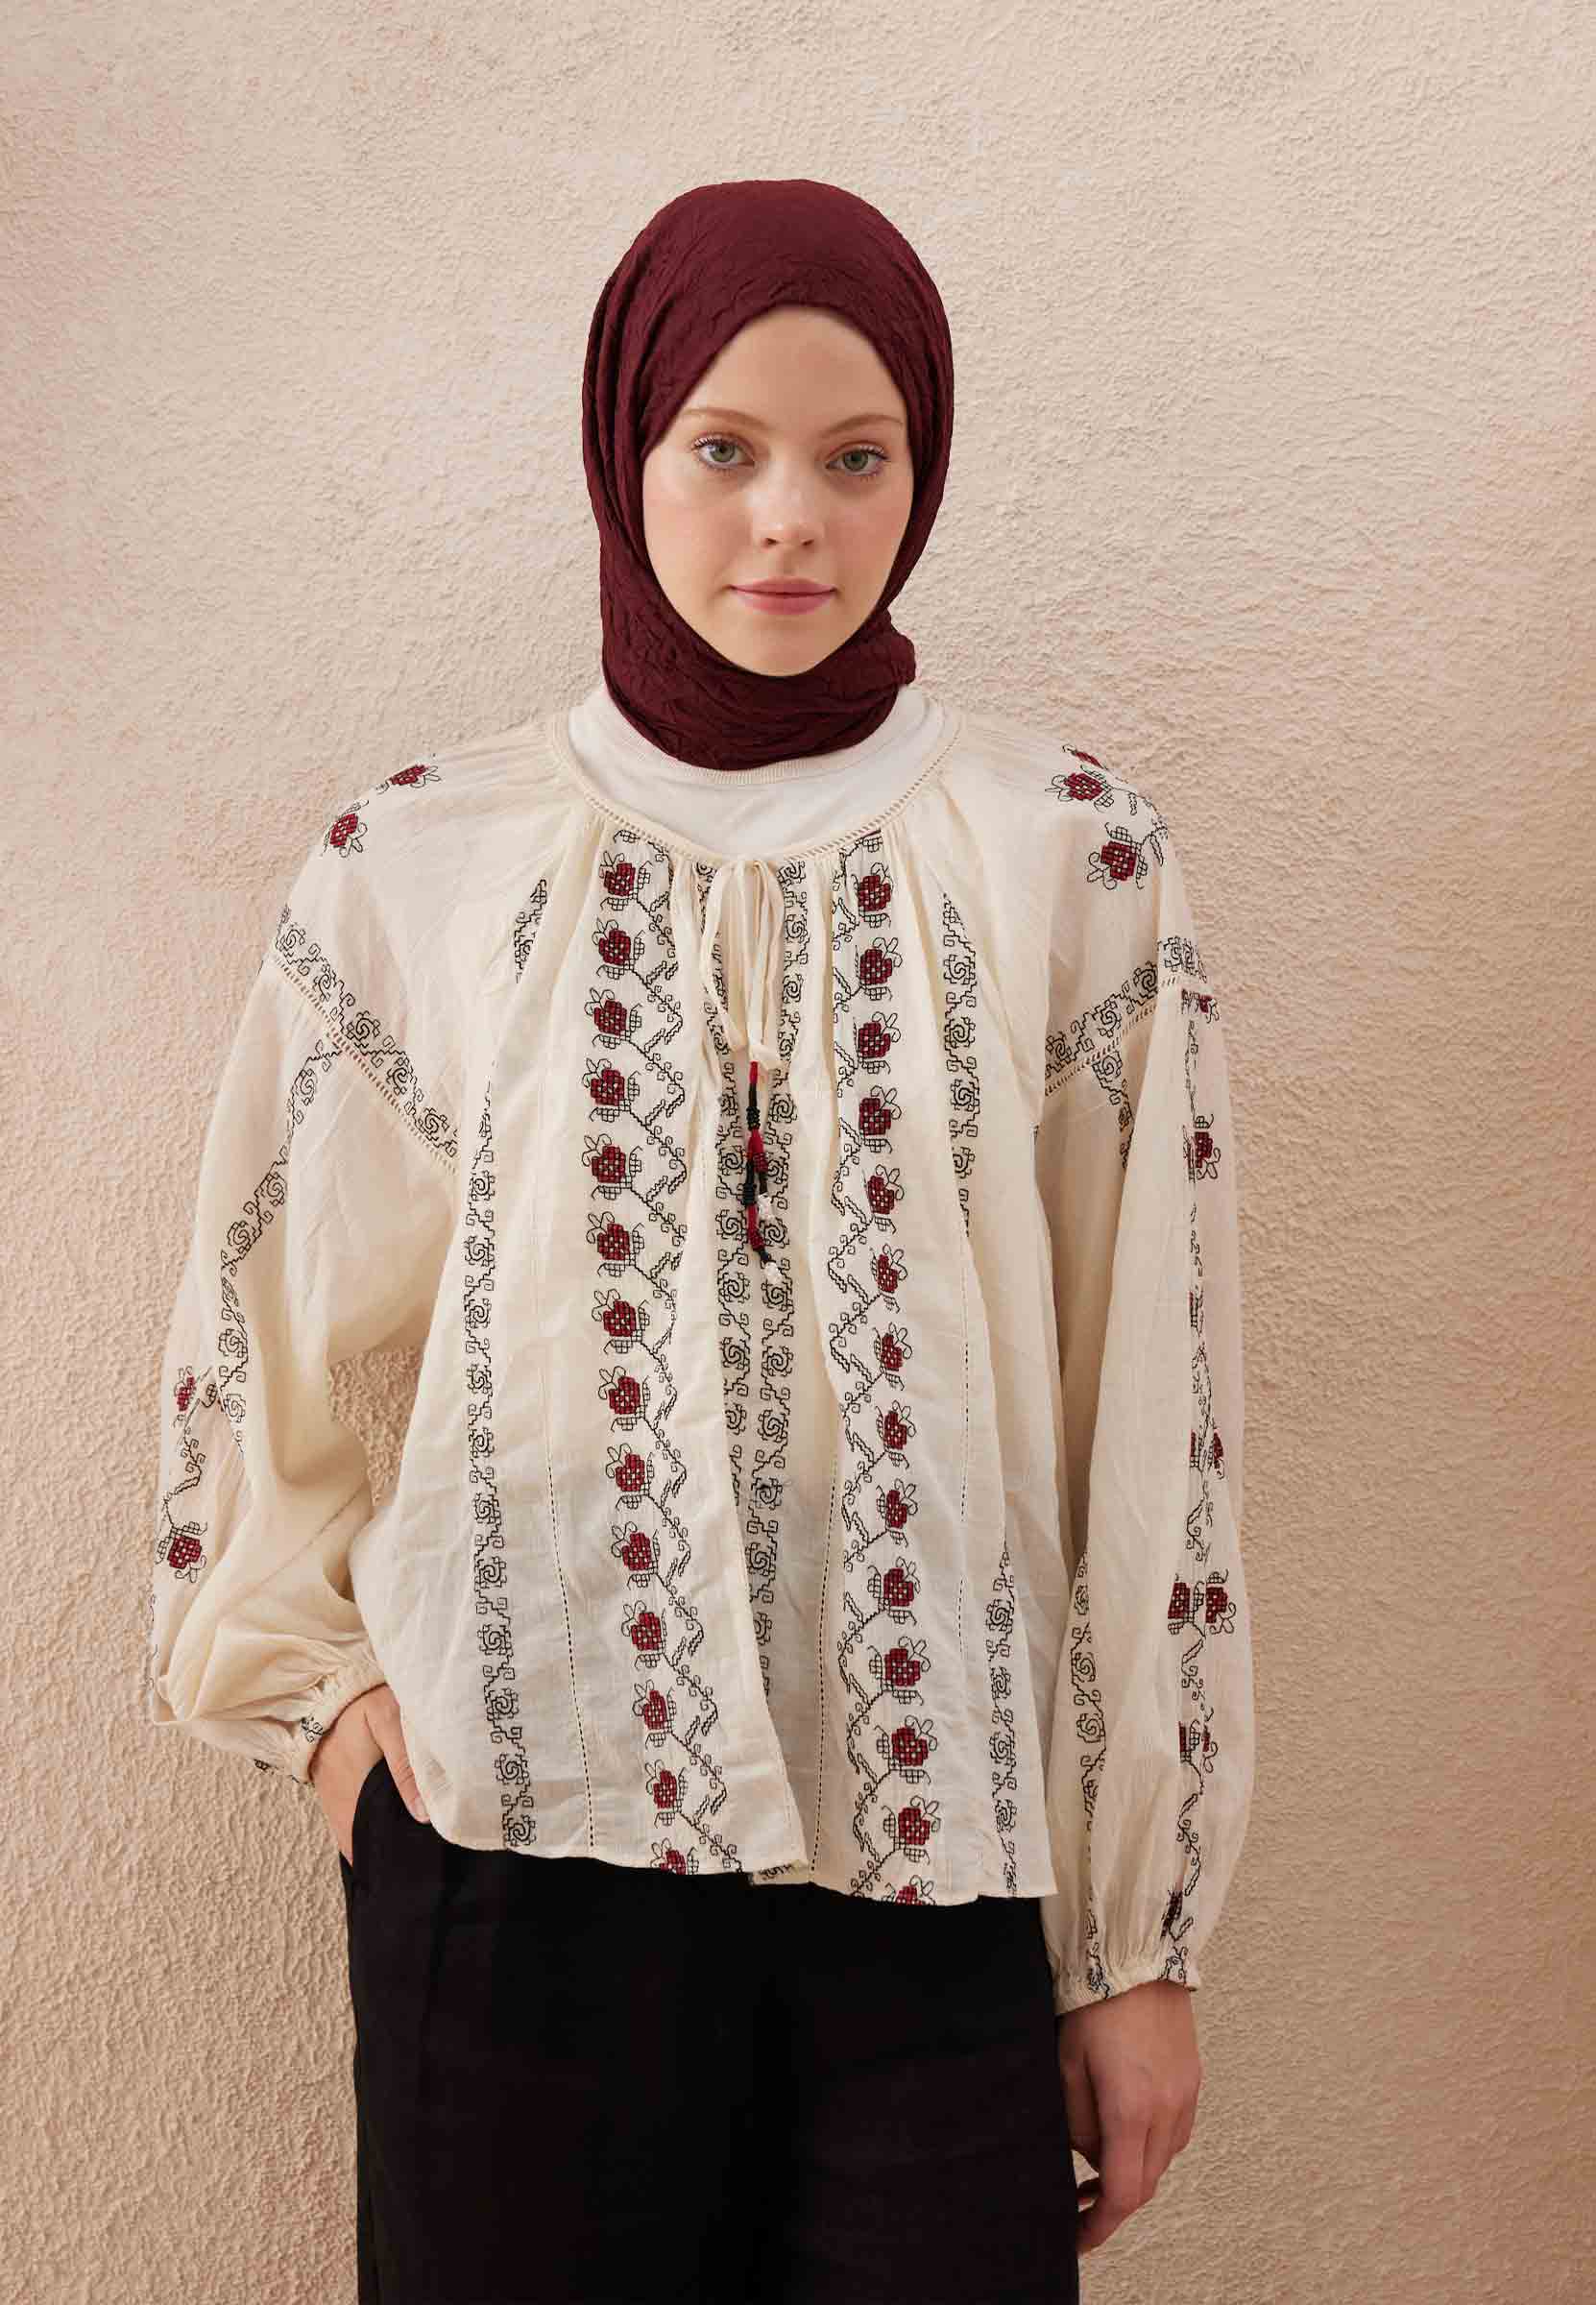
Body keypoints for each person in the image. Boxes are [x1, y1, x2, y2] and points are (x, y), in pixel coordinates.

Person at [144, 178, 1254, 2305]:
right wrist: (315, 1700)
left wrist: (1138, 1938)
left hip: (937, 1876)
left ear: (924, 471)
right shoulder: (426, 857)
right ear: (621, 450)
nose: (789, 525)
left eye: (859, 459)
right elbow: (254, 1302)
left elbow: (1159, 1410)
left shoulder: (1068, 858)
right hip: (515, 1851)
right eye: (722, 450)